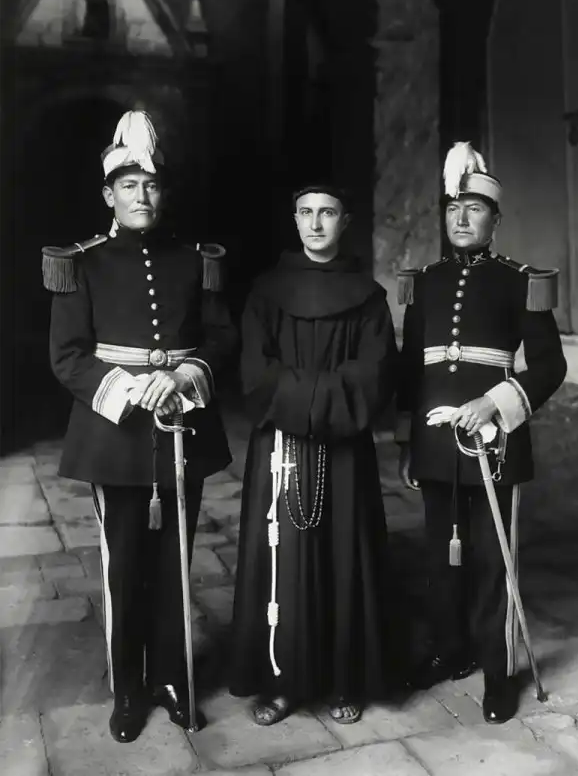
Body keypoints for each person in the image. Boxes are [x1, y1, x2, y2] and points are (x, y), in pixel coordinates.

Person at [43, 110, 236, 743]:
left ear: (163, 192)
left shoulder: (194, 260)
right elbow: (68, 357)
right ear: (109, 195)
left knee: (176, 560)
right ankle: (129, 688)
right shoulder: (82, 263)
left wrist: (183, 376)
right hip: (115, 436)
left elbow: (221, 337)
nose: (142, 196)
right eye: (129, 185)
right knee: (124, 565)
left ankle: (174, 678)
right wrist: (131, 389)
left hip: (183, 427)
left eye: (151, 185)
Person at [396, 142, 567, 724]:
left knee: (493, 561)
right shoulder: (424, 282)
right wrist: (406, 442)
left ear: (496, 219)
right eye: (453, 209)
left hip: (495, 444)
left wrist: (495, 402)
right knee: (440, 558)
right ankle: (450, 650)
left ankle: (498, 671)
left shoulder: (520, 281)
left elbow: (550, 366)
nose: (461, 219)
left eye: (474, 209)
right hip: (434, 445)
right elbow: (410, 371)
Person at [229, 184, 398, 726]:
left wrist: (305, 398)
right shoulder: (265, 292)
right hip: (279, 446)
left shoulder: (368, 297)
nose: (316, 223)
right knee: (281, 559)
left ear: (344, 222)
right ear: (295, 220)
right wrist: (317, 399)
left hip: (344, 452)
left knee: (344, 556)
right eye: (306, 212)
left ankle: (344, 679)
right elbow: (254, 371)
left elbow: (376, 372)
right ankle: (283, 682)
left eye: (327, 213)